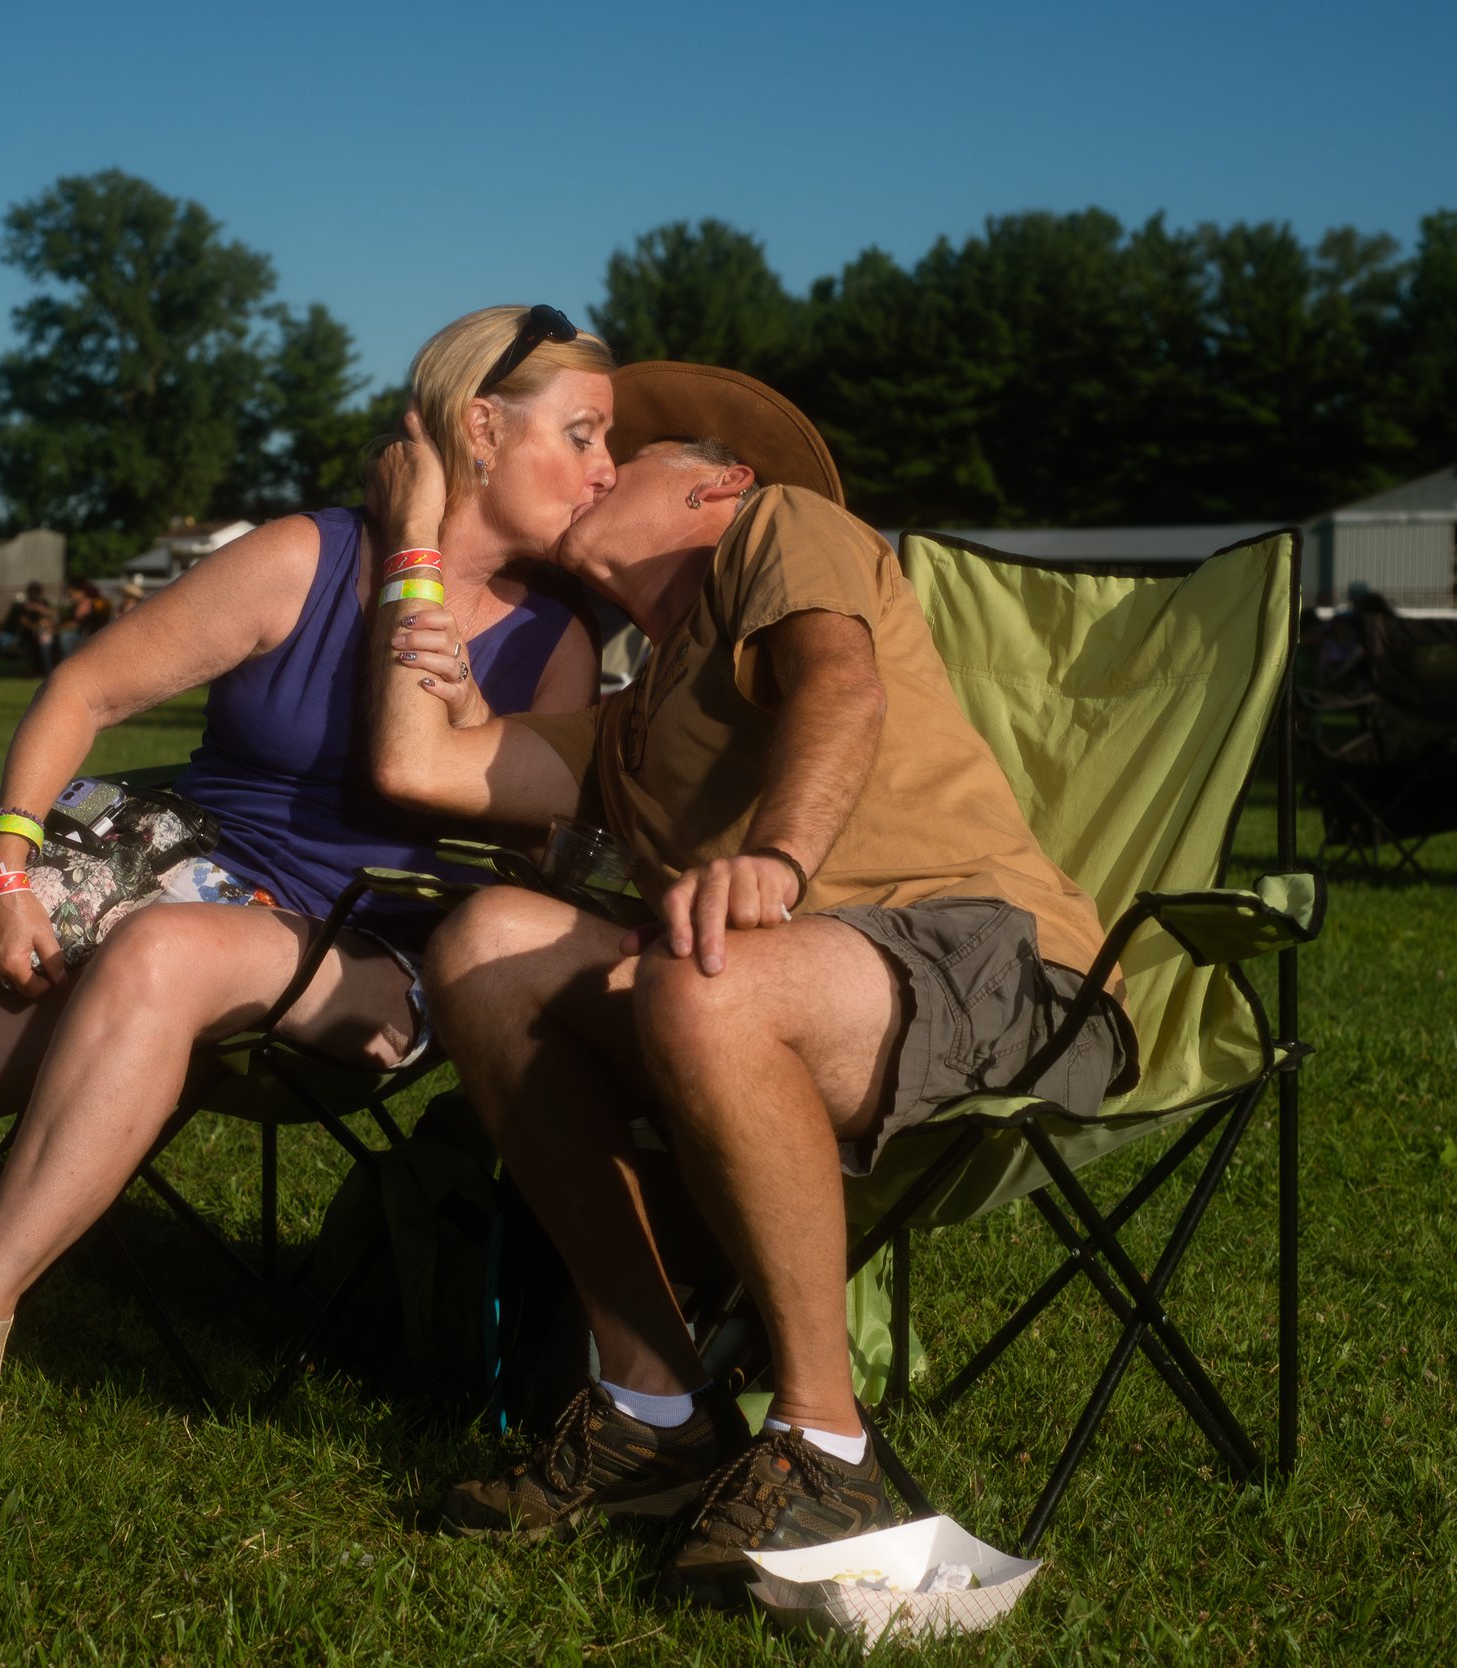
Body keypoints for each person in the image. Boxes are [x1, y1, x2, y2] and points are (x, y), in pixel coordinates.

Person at [0, 306, 615, 1446]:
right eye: (586, 435)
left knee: (164, 952)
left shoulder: (557, 643)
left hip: (367, 958)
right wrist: (5, 862)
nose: (606, 471)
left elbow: (543, 857)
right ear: (481, 427)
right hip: (172, 885)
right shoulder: (307, 556)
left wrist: (472, 708)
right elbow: (85, 691)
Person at [361, 363, 1135, 1604]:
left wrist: (776, 857)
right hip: (782, 992)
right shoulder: (626, 719)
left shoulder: (785, 527)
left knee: (706, 982)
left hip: (999, 969)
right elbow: (415, 762)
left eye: (637, 452)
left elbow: (840, 684)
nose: (602, 466)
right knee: (487, 942)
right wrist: (413, 537)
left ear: (717, 486)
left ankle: (827, 1444)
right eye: (592, 447)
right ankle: (652, 1401)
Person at [0, 581, 60, 676]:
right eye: (32, 591)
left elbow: (55, 614)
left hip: (31, 637)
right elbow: (22, 622)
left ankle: (48, 671)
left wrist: (37, 608)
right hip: (15, 636)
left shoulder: (42, 603)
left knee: (46, 646)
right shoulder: (21, 605)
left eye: (36, 591)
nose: (35, 594)